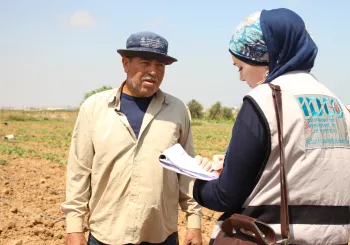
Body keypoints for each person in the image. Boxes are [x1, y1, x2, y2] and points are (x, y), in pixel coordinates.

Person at [193, 8, 350, 245]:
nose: (241, 78)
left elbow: (226, 196)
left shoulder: (265, 100)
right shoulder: (337, 104)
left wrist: (198, 182)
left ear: (263, 58)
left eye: (240, 67)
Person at [61, 31, 202, 245]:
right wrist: (74, 227)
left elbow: (187, 171)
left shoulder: (177, 110)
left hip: (160, 234)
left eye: (160, 66)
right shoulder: (94, 107)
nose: (153, 72)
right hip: (107, 233)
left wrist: (194, 221)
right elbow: (79, 172)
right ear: (125, 63)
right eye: (145, 63)